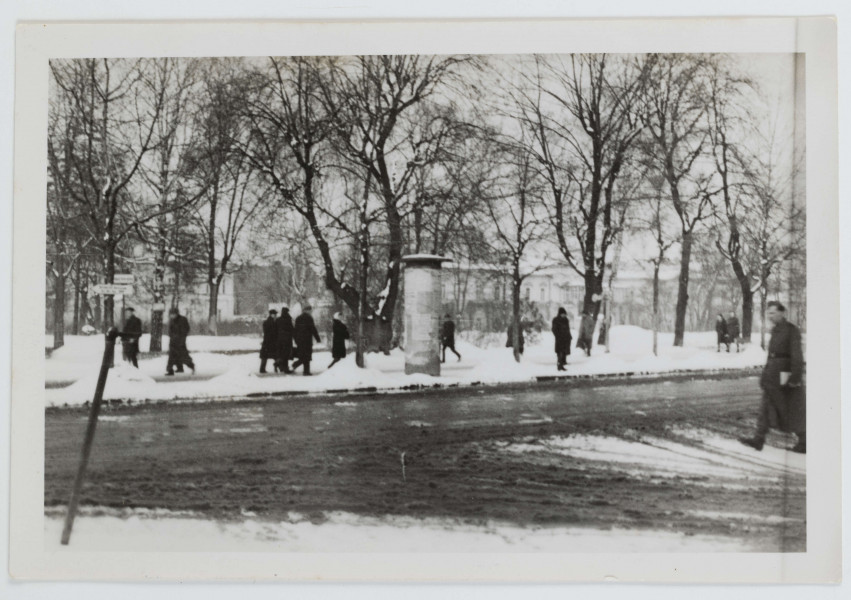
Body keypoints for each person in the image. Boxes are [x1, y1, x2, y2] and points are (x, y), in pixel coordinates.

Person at [739, 301, 806, 454]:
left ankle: (804, 441)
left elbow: (797, 356)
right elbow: (771, 356)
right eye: (768, 313)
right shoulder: (775, 330)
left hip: (786, 377)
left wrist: (795, 377)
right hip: (772, 377)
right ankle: (758, 439)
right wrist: (765, 374)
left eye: (773, 313)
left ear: (782, 313)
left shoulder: (791, 330)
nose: (770, 316)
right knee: (766, 406)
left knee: (792, 410)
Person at [291, 304, 321, 375]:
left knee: (303, 355)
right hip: (307, 340)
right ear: (307, 310)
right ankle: (305, 371)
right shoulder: (309, 318)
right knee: (307, 356)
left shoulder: (298, 318)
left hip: (300, 340)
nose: (311, 312)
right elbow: (313, 328)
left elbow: (295, 330)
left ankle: (301, 367)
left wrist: (296, 339)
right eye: (310, 310)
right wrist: (317, 338)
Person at [165, 307, 195, 375]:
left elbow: (185, 330)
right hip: (173, 341)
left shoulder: (182, 320)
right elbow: (170, 330)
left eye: (173, 314)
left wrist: (181, 339)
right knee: (172, 356)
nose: (172, 316)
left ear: (176, 314)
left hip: (180, 341)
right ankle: (170, 370)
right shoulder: (172, 320)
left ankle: (191, 365)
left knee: (183, 356)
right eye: (171, 314)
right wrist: (172, 336)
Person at [551, 307, 572, 371]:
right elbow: (554, 329)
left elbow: (568, 329)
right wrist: (558, 335)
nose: (564, 315)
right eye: (563, 314)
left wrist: (569, 336)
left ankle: (563, 363)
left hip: (566, 338)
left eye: (564, 314)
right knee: (560, 352)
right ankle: (559, 365)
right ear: (560, 314)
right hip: (559, 339)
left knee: (564, 352)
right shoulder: (556, 320)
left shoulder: (566, 320)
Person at [275, 306, 294, 373]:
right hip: (287, 339)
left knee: (281, 354)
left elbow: (275, 330)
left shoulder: (278, 319)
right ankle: (285, 368)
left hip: (279, 339)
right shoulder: (288, 319)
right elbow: (291, 329)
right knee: (286, 354)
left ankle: (279, 365)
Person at [259, 308, 278, 373]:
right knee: (275, 355)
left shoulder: (266, 322)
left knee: (265, 356)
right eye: (275, 314)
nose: (276, 316)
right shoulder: (272, 322)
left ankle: (262, 369)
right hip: (271, 341)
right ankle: (276, 368)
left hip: (267, 341)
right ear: (272, 315)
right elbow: (273, 332)